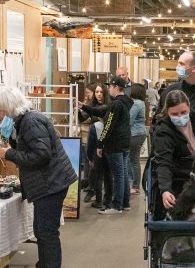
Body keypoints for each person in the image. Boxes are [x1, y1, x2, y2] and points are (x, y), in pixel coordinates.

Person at [0, 87, 77, 268]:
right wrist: (11, 137)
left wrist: (8, 154)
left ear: (8, 107)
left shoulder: (31, 121)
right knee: (42, 230)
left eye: (0, 109)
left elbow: (42, 155)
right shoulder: (23, 121)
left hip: (51, 183)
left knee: (47, 232)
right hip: (48, 183)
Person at [152, 90, 195, 219]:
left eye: (183, 112)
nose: (180, 117)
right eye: (174, 114)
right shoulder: (163, 132)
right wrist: (165, 190)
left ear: (189, 107)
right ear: (167, 112)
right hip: (177, 179)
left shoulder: (194, 117)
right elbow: (164, 163)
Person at [94, 76, 133, 214]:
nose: (108, 89)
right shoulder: (125, 103)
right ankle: (125, 202)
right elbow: (102, 112)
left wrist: (100, 143)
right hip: (124, 142)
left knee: (118, 175)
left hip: (115, 143)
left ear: (116, 88)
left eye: (110, 87)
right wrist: (85, 107)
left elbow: (108, 125)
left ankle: (116, 206)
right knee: (122, 173)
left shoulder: (115, 104)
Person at [80, 83, 112, 209]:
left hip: (105, 144)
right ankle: (99, 199)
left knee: (107, 174)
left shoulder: (108, 106)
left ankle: (107, 200)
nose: (98, 94)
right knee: (97, 174)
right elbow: (82, 118)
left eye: (101, 92)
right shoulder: (93, 105)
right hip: (95, 143)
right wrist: (79, 110)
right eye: (97, 92)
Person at [129, 83, 147, 195]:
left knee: (134, 161)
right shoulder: (141, 103)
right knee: (134, 160)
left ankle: (135, 186)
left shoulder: (136, 104)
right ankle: (134, 185)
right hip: (139, 133)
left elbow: (129, 119)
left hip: (135, 133)